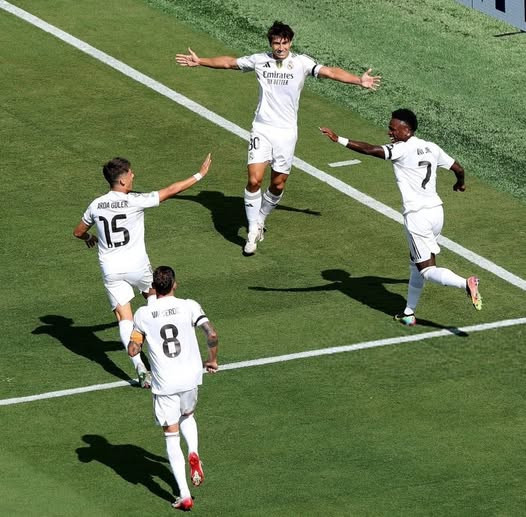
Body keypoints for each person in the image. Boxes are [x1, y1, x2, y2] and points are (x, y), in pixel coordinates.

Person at [176, 21, 380, 255]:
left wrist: (358, 80)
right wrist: (201, 61)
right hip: (262, 129)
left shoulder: (302, 63)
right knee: (254, 180)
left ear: (290, 43)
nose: (280, 47)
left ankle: (261, 218)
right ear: (270, 44)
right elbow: (229, 63)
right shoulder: (259, 60)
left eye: (284, 43)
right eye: (276, 43)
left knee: (278, 184)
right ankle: (252, 230)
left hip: (286, 133)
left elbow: (331, 72)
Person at [320, 109, 482, 325]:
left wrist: (338, 139)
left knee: (427, 270)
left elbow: (370, 149)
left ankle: (466, 283)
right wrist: (459, 184)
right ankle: (408, 313)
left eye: (393, 129)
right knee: (415, 263)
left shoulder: (401, 149)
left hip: (417, 217)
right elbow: (459, 169)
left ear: (407, 130)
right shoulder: (431, 147)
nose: (390, 132)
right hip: (436, 212)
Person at [73, 153, 212, 386]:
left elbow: (78, 232)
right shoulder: (135, 200)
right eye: (130, 174)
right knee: (156, 300)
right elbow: (172, 190)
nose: (133, 176)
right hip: (137, 266)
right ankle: (168, 346)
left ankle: (139, 367)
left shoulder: (95, 205)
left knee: (123, 317)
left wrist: (89, 237)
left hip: (111, 270)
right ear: (122, 180)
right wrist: (199, 174)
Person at [128, 265, 219, 511]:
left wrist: (135, 345)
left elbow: (133, 349)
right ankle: (194, 452)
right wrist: (212, 360)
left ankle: (184, 495)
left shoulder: (143, 314)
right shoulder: (190, 306)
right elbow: (211, 334)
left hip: (165, 383)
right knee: (187, 415)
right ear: (175, 285)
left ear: (153, 288)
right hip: (190, 377)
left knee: (171, 434)